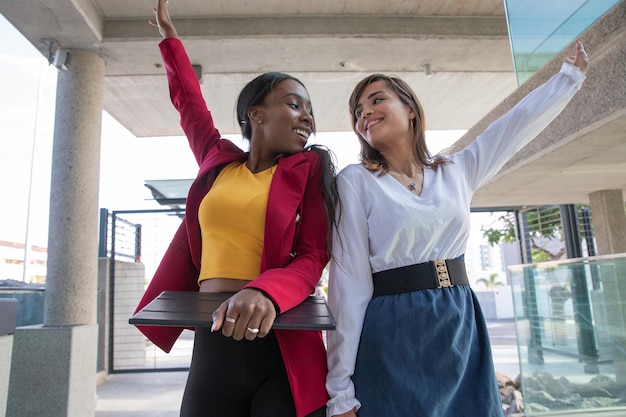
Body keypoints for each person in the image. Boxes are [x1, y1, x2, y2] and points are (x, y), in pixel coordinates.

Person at [325, 41, 589, 417]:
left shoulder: (455, 170)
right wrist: (340, 391)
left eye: (376, 101)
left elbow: (512, 128)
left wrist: (568, 79)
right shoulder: (355, 181)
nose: (364, 114)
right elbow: (348, 284)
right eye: (358, 112)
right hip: (394, 330)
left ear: (410, 110)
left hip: (460, 320)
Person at [133, 1, 338, 416]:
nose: (307, 118)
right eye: (295, 104)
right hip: (213, 336)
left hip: (283, 335)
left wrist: (265, 290)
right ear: (256, 114)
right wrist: (170, 39)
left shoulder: (311, 169)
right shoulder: (217, 160)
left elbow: (314, 255)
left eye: (310, 111)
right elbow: (189, 105)